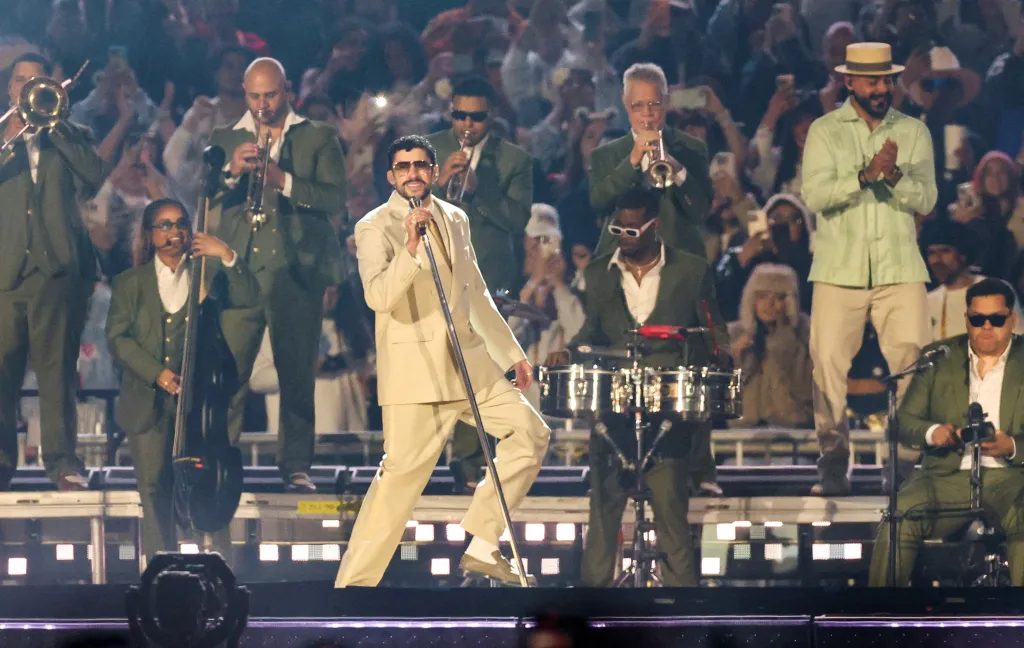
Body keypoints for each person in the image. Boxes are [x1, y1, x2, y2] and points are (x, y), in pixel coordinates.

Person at [335, 135, 549, 587]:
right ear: (391, 176)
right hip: (415, 374)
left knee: (531, 434)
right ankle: (353, 588)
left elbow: (475, 293)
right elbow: (379, 297)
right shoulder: (374, 227)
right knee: (397, 484)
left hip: (470, 364)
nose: (412, 172)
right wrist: (410, 250)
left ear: (433, 171)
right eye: (402, 166)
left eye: (420, 164)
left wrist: (511, 353)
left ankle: (483, 543)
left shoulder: (456, 218)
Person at [547, 187, 731, 586]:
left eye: (632, 229)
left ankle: (683, 621)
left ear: (654, 226)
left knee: (672, 520)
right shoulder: (598, 272)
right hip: (613, 408)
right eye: (618, 229)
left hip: (667, 410)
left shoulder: (691, 270)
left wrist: (722, 357)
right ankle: (592, 616)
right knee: (602, 518)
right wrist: (571, 351)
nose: (624, 236)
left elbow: (714, 328)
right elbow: (591, 331)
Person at [801, 43, 937, 495]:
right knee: (827, 367)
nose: (881, 88)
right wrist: (865, 176)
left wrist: (893, 175)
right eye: (872, 80)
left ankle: (903, 464)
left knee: (912, 364)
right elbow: (815, 197)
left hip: (899, 266)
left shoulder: (914, 131)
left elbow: (928, 200)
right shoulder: (825, 131)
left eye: (887, 80)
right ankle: (834, 463)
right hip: (839, 269)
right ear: (850, 82)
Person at [208, 57, 347, 493]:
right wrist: (232, 169)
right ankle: (220, 462)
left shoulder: (318, 137)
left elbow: (334, 198)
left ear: (287, 92)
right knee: (230, 373)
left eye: (270, 95)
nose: (262, 105)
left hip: (296, 271)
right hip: (239, 269)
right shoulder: (225, 137)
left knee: (297, 373)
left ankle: (296, 464)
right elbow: (205, 190)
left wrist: (282, 179)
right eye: (254, 96)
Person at [105, 198, 262, 562]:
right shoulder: (130, 282)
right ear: (149, 234)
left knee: (207, 482)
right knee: (154, 487)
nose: (174, 231)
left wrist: (225, 254)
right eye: (164, 225)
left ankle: (219, 565)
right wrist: (155, 372)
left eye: (180, 223)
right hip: (148, 400)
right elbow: (117, 338)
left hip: (198, 401)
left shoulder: (206, 275)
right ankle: (162, 567)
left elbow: (250, 298)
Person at [0, 53, 111, 491]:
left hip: (58, 270)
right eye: (21, 80)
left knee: (58, 372)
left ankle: (63, 463)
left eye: (37, 81)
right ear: (10, 88)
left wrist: (55, 127)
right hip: (5, 272)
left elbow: (94, 175)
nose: (27, 87)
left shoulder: (72, 134)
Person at [868, 278, 1024, 586]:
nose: (987, 326)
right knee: (899, 516)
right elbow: (903, 422)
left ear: (1013, 319)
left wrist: (1012, 445)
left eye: (997, 319)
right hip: (945, 476)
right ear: (967, 318)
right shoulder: (937, 358)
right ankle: (881, 618)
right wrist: (932, 432)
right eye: (978, 319)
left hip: (1012, 476)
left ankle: (1017, 621)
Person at [427, 75, 534, 492]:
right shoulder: (429, 148)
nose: (467, 125)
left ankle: (469, 465)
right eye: (459, 115)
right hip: (432, 272)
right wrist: (436, 185)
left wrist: (479, 189)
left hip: (485, 277)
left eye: (476, 117)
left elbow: (516, 219)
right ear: (449, 110)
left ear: (491, 115)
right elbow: (399, 201)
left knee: (480, 371)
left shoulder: (513, 160)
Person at [589, 62, 712, 260]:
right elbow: (599, 203)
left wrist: (678, 171)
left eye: (653, 104)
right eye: (638, 105)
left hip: (678, 265)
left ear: (665, 102)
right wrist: (631, 162)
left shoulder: (692, 148)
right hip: (622, 263)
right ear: (626, 104)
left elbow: (701, 212)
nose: (647, 113)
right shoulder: (604, 156)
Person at [163, 45, 254, 210]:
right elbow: (172, 159)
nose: (235, 74)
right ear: (216, 73)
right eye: (229, 66)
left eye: (242, 68)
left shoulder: (260, 118)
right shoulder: (200, 112)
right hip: (205, 209)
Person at [727, 263, 813, 429]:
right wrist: (736, 357)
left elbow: (806, 390)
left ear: (790, 302)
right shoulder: (732, 334)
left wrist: (785, 344)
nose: (769, 304)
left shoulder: (805, 335)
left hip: (793, 431)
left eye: (779, 297)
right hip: (742, 432)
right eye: (762, 296)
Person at [922, 218, 1024, 341]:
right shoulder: (928, 301)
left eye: (945, 251)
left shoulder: (997, 289)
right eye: (931, 253)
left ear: (963, 255)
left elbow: (1017, 339)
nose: (937, 260)